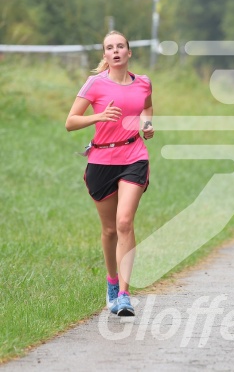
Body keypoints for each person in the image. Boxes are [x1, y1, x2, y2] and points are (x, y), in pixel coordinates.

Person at [65, 30, 155, 316]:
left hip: (134, 155)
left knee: (125, 222)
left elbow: (147, 107)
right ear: (105, 55)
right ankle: (112, 283)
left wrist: (147, 124)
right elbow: (70, 122)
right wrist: (98, 116)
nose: (115, 51)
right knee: (109, 230)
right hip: (102, 158)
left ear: (129, 53)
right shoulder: (95, 84)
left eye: (120, 47)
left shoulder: (143, 83)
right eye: (109, 48)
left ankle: (126, 295)